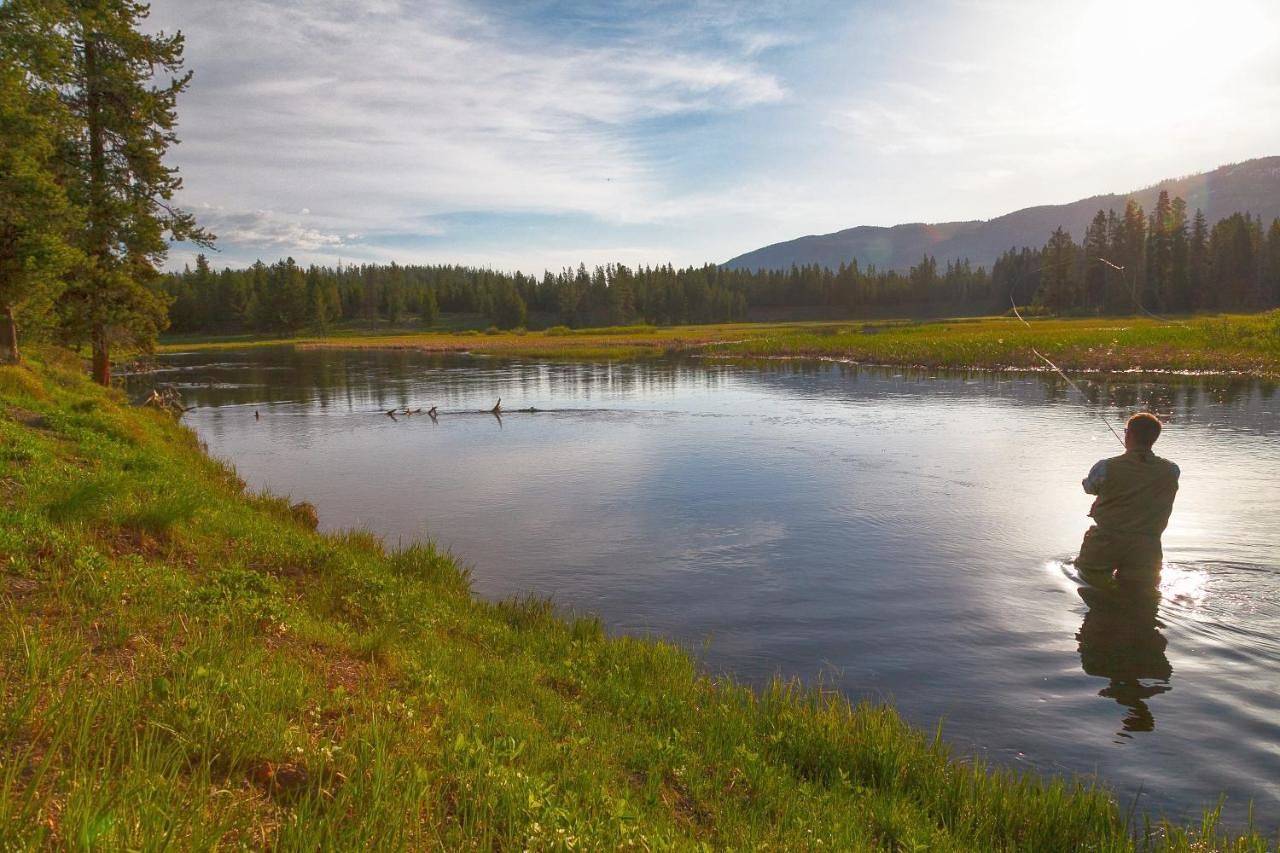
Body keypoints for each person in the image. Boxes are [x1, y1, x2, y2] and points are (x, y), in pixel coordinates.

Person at [1076, 412, 1179, 588]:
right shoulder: (1172, 470)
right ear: (1154, 438)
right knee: (1140, 592)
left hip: (1105, 542)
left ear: (1129, 435)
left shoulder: (1105, 467)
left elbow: (1089, 487)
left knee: (1090, 583)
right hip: (1147, 546)